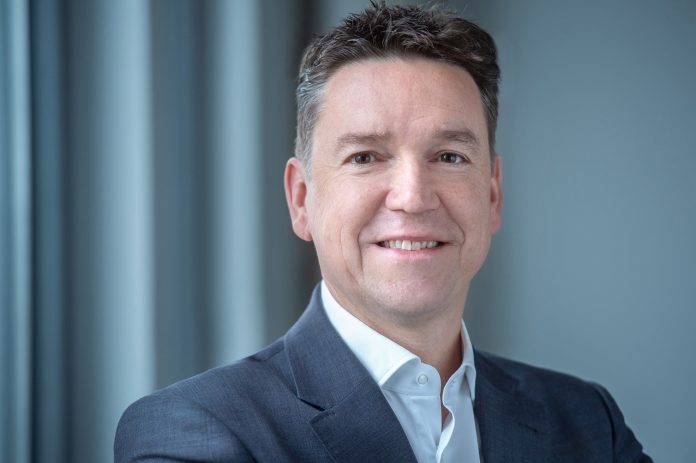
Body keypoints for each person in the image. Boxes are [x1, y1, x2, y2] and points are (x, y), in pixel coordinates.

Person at [115, 2, 652, 462]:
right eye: (366, 157)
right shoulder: (197, 431)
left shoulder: (587, 422)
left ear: (492, 195)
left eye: (449, 156)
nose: (413, 197)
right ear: (301, 200)